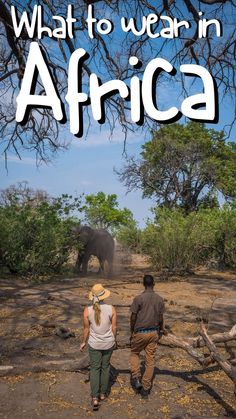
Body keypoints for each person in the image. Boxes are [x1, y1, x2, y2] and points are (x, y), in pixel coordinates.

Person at [80, 283, 117, 410]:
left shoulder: (87, 310)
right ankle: (102, 394)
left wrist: (83, 341)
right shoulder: (111, 308)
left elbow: (86, 329)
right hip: (108, 343)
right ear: (103, 295)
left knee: (95, 368)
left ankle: (94, 398)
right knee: (105, 367)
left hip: (94, 344)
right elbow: (114, 327)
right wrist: (113, 339)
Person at [130, 274, 165, 399]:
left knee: (134, 353)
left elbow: (133, 317)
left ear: (143, 284)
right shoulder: (160, 299)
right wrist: (161, 329)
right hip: (153, 333)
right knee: (150, 361)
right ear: (153, 284)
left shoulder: (138, 298)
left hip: (140, 333)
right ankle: (145, 389)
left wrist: (131, 331)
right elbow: (161, 318)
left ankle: (136, 377)